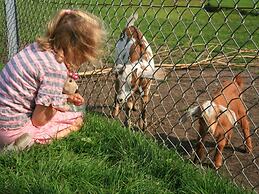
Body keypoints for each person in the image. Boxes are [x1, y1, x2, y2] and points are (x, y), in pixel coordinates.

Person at [0, 9, 106, 151]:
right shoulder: (56, 69)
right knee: (75, 119)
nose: (83, 62)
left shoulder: (38, 48)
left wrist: (64, 97)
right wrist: (60, 104)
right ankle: (22, 144)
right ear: (74, 48)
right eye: (84, 58)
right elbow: (38, 120)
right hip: (10, 130)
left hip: (4, 116)